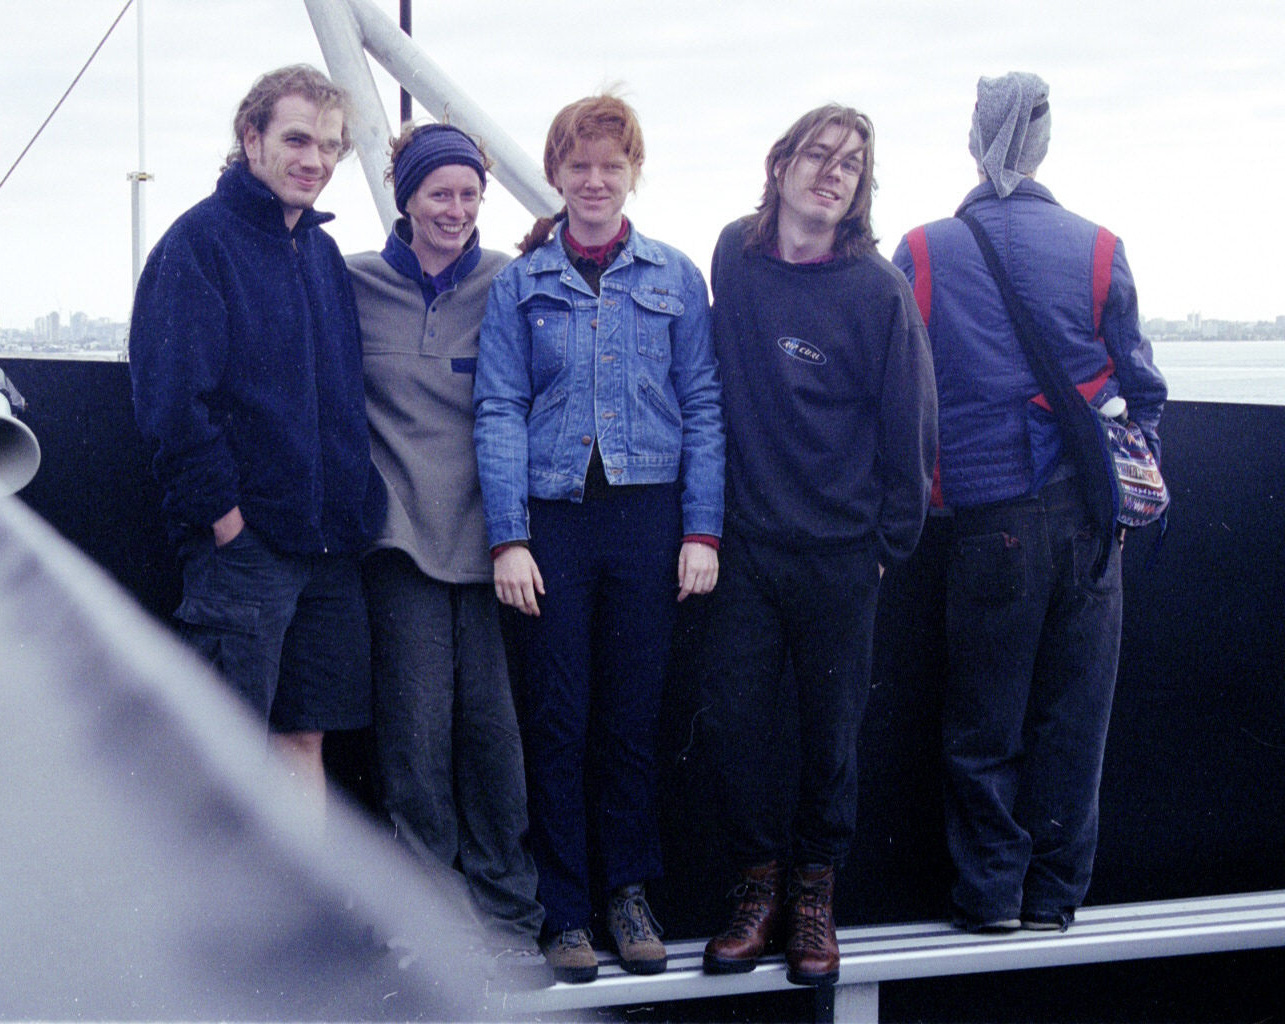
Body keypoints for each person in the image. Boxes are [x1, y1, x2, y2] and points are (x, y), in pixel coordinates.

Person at [893, 72, 1166, 933]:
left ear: (975, 138)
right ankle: (1054, 896)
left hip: (988, 516)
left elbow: (902, 388)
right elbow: (1142, 388)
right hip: (1088, 516)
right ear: (1043, 142)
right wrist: (1125, 491)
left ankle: (989, 896)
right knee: (1075, 718)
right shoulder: (1098, 245)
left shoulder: (925, 249)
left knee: (983, 722)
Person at [472, 94, 724, 984]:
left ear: (633, 173)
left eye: (610, 165)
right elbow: (498, 407)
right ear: (555, 173)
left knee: (631, 715)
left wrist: (701, 529)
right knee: (557, 715)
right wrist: (509, 537)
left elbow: (702, 403)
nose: (593, 180)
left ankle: (628, 893)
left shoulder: (674, 276)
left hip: (647, 519)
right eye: (577, 165)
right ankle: (567, 909)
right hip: (555, 522)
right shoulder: (520, 285)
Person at [697, 104, 936, 985]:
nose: (834, 174)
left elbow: (912, 425)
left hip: (840, 552)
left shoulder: (878, 291)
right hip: (749, 545)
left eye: (852, 165)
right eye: (819, 155)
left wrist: (886, 545)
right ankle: (757, 889)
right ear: (781, 164)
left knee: (830, 738)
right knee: (736, 724)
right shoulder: (735, 253)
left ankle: (812, 899)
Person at [128, 65, 386, 832]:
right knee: (228, 748)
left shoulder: (322, 254)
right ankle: (222, 910)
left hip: (327, 550)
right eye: (297, 140)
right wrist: (228, 525)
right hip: (247, 551)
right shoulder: (198, 245)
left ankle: (296, 900)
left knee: (302, 738)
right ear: (252, 138)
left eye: (330, 147)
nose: (316, 160)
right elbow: (173, 403)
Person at [344, 123, 549, 989]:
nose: (456, 210)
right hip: (401, 545)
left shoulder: (509, 282)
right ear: (406, 199)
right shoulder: (351, 281)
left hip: (495, 544)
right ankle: (432, 922)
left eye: (469, 194)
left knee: (496, 740)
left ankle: (510, 917)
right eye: (439, 193)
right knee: (415, 742)